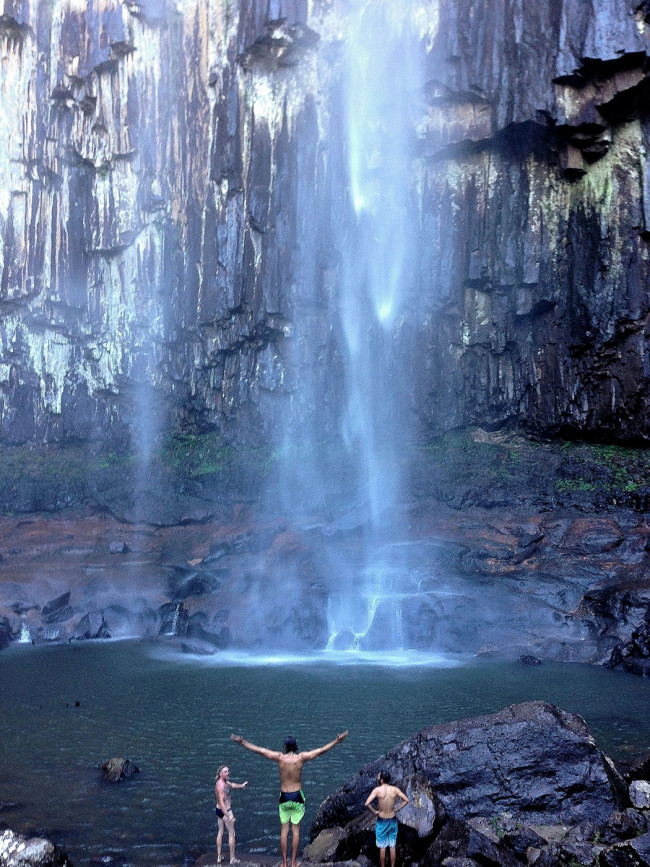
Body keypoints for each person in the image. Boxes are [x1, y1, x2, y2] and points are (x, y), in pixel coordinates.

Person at [231, 731, 348, 867]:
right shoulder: (301, 758)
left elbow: (260, 750)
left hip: (285, 797)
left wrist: (243, 742)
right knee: (296, 831)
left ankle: (285, 863)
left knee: (284, 831)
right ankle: (293, 863)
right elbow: (321, 750)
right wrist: (336, 741)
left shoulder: (280, 758)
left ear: (285, 746)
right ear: (296, 746)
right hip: (297, 796)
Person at [364, 771, 409, 867]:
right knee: (392, 846)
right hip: (392, 819)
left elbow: (367, 803)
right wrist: (397, 809)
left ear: (382, 780)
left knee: (382, 847)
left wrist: (374, 812)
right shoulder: (395, 789)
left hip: (382, 820)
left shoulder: (377, 790)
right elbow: (406, 800)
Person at [215, 764, 248, 863]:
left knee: (220, 832)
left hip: (218, 810)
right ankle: (232, 858)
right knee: (232, 833)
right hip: (226, 810)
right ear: (221, 774)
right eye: (225, 772)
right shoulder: (221, 785)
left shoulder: (222, 782)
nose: (228, 773)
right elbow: (221, 801)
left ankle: (219, 856)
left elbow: (232, 785)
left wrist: (241, 785)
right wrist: (228, 815)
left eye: (228, 771)